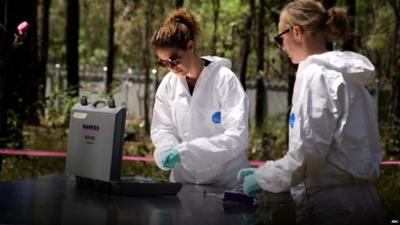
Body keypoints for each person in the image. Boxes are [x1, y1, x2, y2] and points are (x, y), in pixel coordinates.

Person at [237, 0, 382, 224]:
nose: (282, 46)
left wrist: (263, 177)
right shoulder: (348, 76)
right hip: (363, 201)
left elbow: (307, 156)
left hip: (332, 208)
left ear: (297, 31)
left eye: (280, 38)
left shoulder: (315, 75)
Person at [150, 8, 250, 189]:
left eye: (175, 60)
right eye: (164, 63)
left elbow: (237, 137)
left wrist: (188, 152)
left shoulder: (224, 79)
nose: (171, 68)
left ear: (190, 46)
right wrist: (165, 148)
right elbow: (163, 128)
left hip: (226, 182)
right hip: (184, 182)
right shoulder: (168, 84)